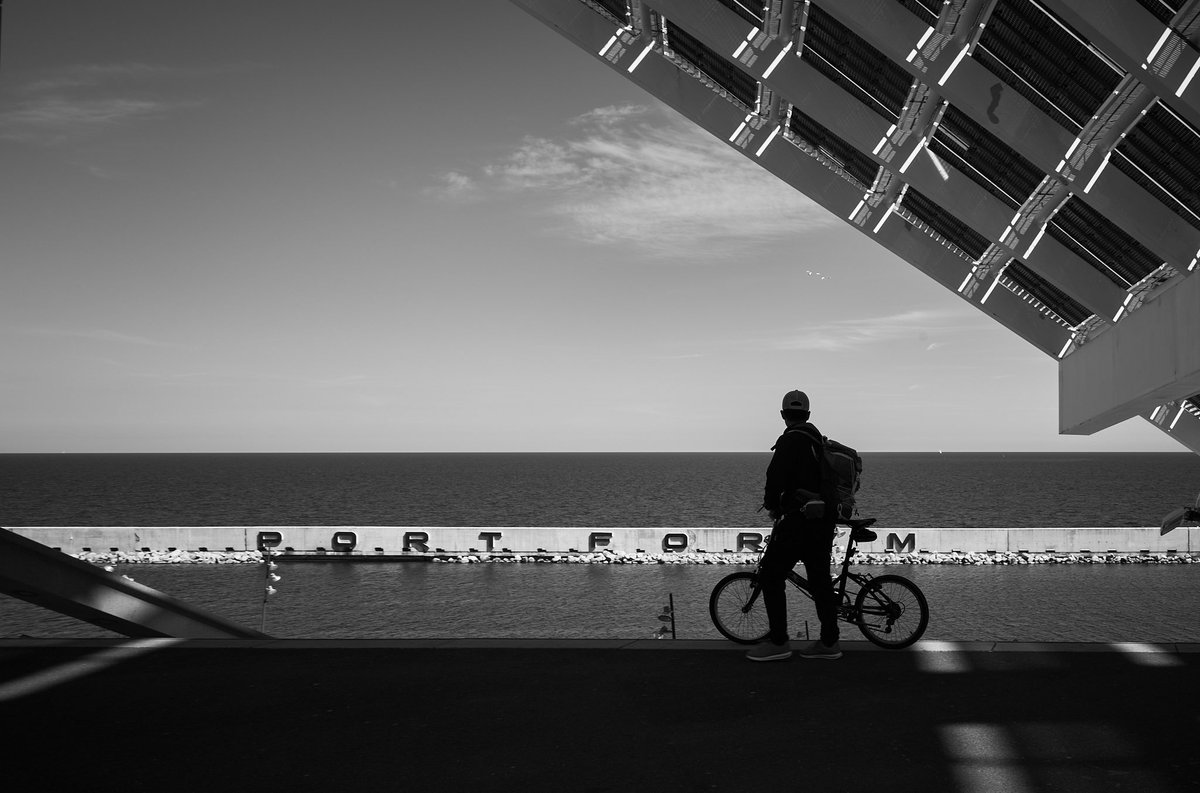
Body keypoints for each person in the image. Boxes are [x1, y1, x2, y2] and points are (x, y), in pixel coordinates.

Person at [746, 389, 842, 662]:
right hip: (823, 521)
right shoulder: (817, 441)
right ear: (808, 415)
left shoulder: (791, 440)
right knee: (820, 580)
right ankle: (830, 642)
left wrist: (773, 506)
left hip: (799, 520)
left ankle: (778, 642)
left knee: (771, 575)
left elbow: (774, 477)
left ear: (783, 415)